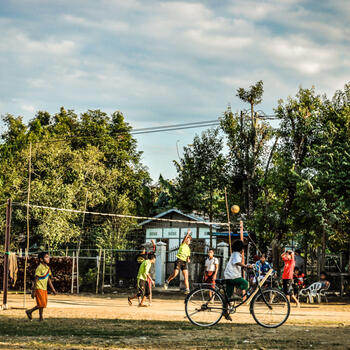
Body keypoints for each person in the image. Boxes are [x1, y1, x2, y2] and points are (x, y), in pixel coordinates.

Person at [224, 240, 252, 320]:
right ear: (240, 248)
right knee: (245, 283)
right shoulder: (236, 254)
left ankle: (225, 312)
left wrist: (243, 267)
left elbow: (236, 263)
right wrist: (245, 266)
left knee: (228, 296)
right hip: (233, 276)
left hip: (229, 276)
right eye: (243, 248)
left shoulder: (234, 254)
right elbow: (237, 262)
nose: (243, 250)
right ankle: (236, 294)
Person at [25, 252, 57, 321]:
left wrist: (53, 289)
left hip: (44, 288)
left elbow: (49, 280)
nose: (48, 258)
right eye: (46, 257)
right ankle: (37, 316)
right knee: (41, 304)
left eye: (48, 257)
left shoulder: (48, 268)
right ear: (41, 259)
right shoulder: (39, 268)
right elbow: (35, 280)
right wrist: (33, 291)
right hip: (38, 288)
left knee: (43, 304)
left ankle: (33, 313)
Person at [164, 229, 192, 294]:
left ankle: (187, 289)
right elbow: (185, 239)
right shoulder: (183, 244)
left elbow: (188, 256)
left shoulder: (188, 248)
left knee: (186, 276)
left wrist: (188, 259)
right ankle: (167, 281)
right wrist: (187, 233)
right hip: (179, 260)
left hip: (184, 262)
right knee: (175, 274)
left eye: (189, 240)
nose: (188, 240)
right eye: (187, 239)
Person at [135, 240, 156, 305]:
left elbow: (154, 251)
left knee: (149, 288)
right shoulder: (137, 256)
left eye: (143, 248)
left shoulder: (147, 256)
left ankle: (149, 301)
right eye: (141, 249)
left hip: (147, 274)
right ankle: (139, 302)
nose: (142, 250)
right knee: (140, 290)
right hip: (141, 274)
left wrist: (153, 243)